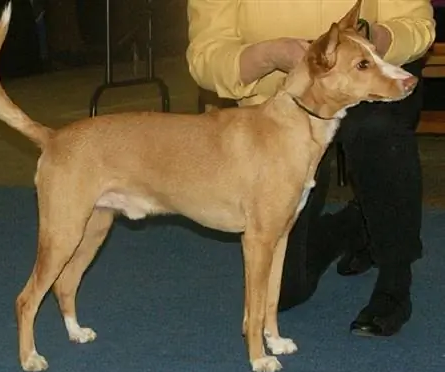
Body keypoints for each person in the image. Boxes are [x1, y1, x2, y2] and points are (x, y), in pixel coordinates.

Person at [186, 0, 436, 337]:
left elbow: (418, 25)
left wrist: (377, 39)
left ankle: (395, 277)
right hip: (279, 108)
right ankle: (354, 225)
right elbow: (204, 56)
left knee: (378, 132)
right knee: (288, 291)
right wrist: (270, 56)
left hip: (367, 87)